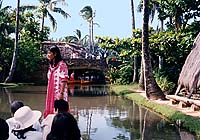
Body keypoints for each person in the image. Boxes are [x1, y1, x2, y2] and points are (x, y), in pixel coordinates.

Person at [44, 46, 69, 118]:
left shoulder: (62, 65)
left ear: (55, 54)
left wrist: (61, 93)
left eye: (49, 53)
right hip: (51, 91)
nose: (47, 55)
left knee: (60, 111)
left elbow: (64, 79)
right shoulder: (51, 66)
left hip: (59, 92)